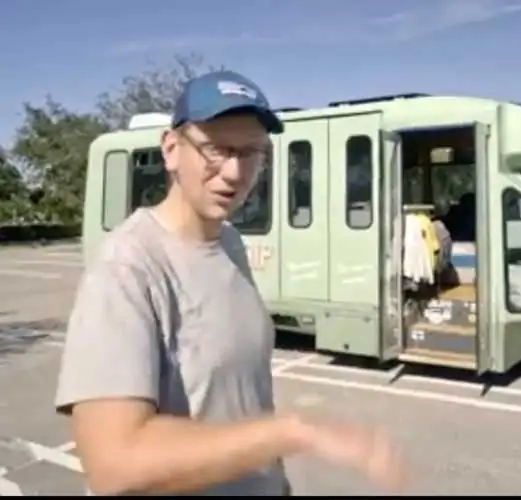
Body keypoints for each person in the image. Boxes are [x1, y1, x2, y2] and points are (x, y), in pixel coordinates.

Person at [54, 70, 403, 496]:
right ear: (171, 150)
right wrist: (289, 433)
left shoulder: (230, 243)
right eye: (216, 149)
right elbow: (114, 464)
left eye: (252, 152)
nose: (235, 172)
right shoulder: (127, 268)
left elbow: (239, 399)